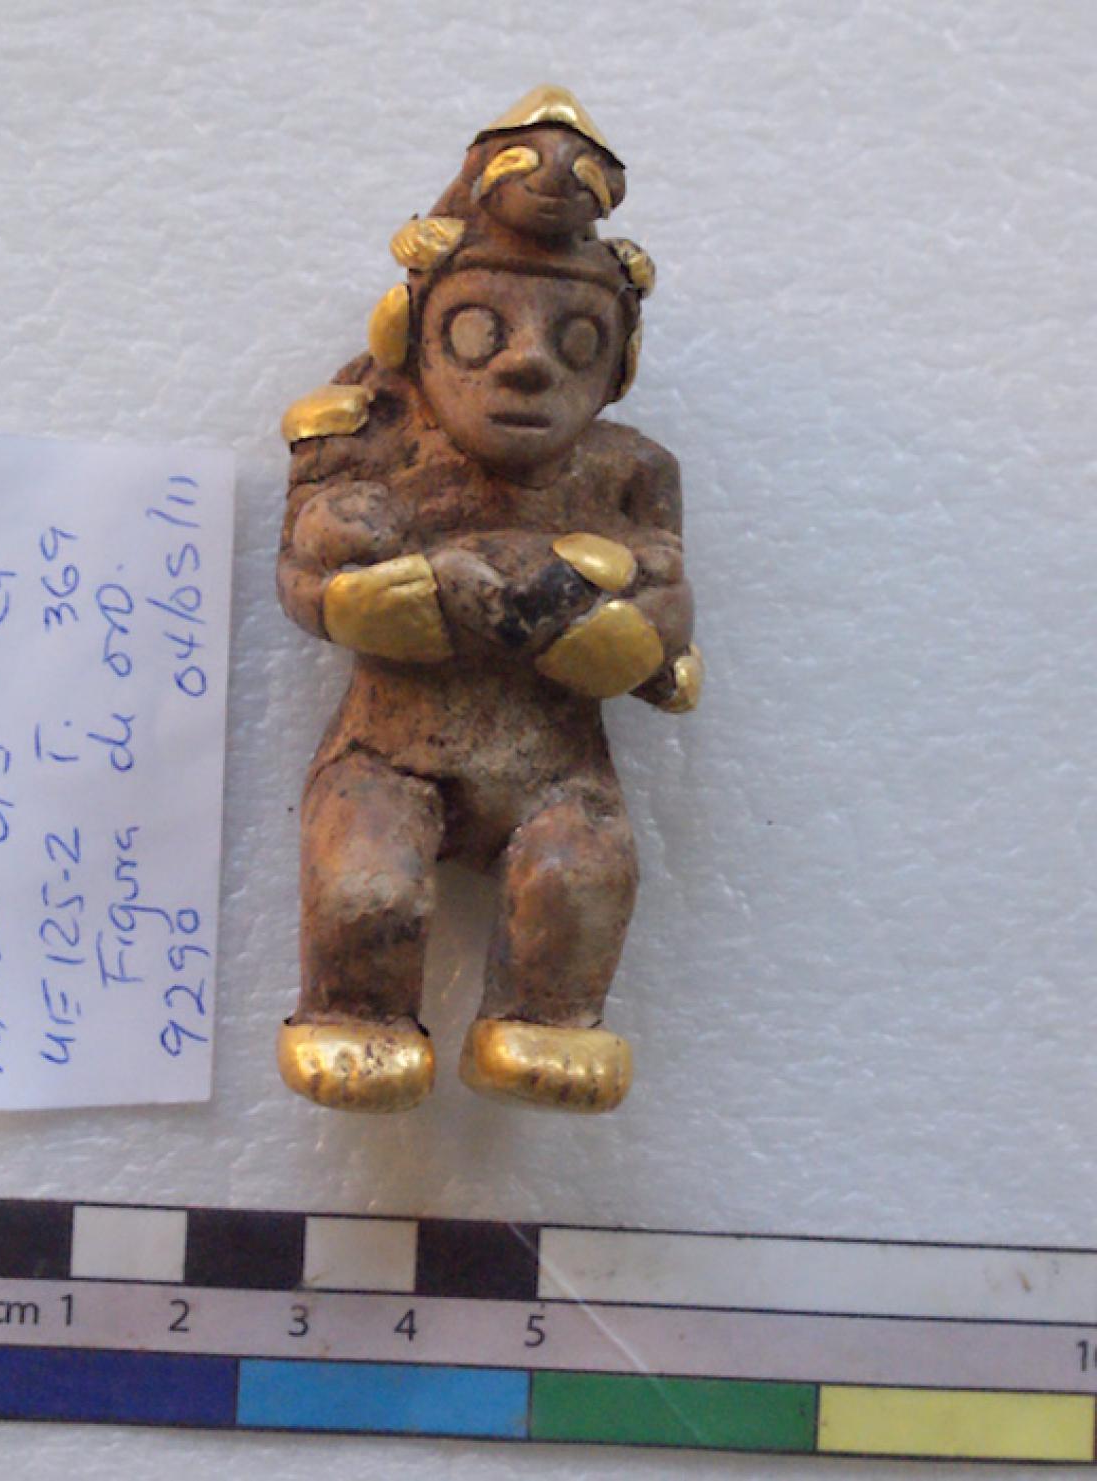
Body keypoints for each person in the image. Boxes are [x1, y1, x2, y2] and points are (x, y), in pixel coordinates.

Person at [275, 87, 700, 1113]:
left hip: (558, 767)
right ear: (417, 343)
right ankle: (357, 1008)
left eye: (577, 340)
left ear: (618, 366)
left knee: (582, 872)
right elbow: (305, 572)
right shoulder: (372, 439)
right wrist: (372, 596)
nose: (528, 363)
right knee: (366, 883)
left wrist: (626, 639)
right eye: (479, 330)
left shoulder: (631, 473)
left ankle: (546, 1014)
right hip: (389, 751)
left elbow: (670, 599)